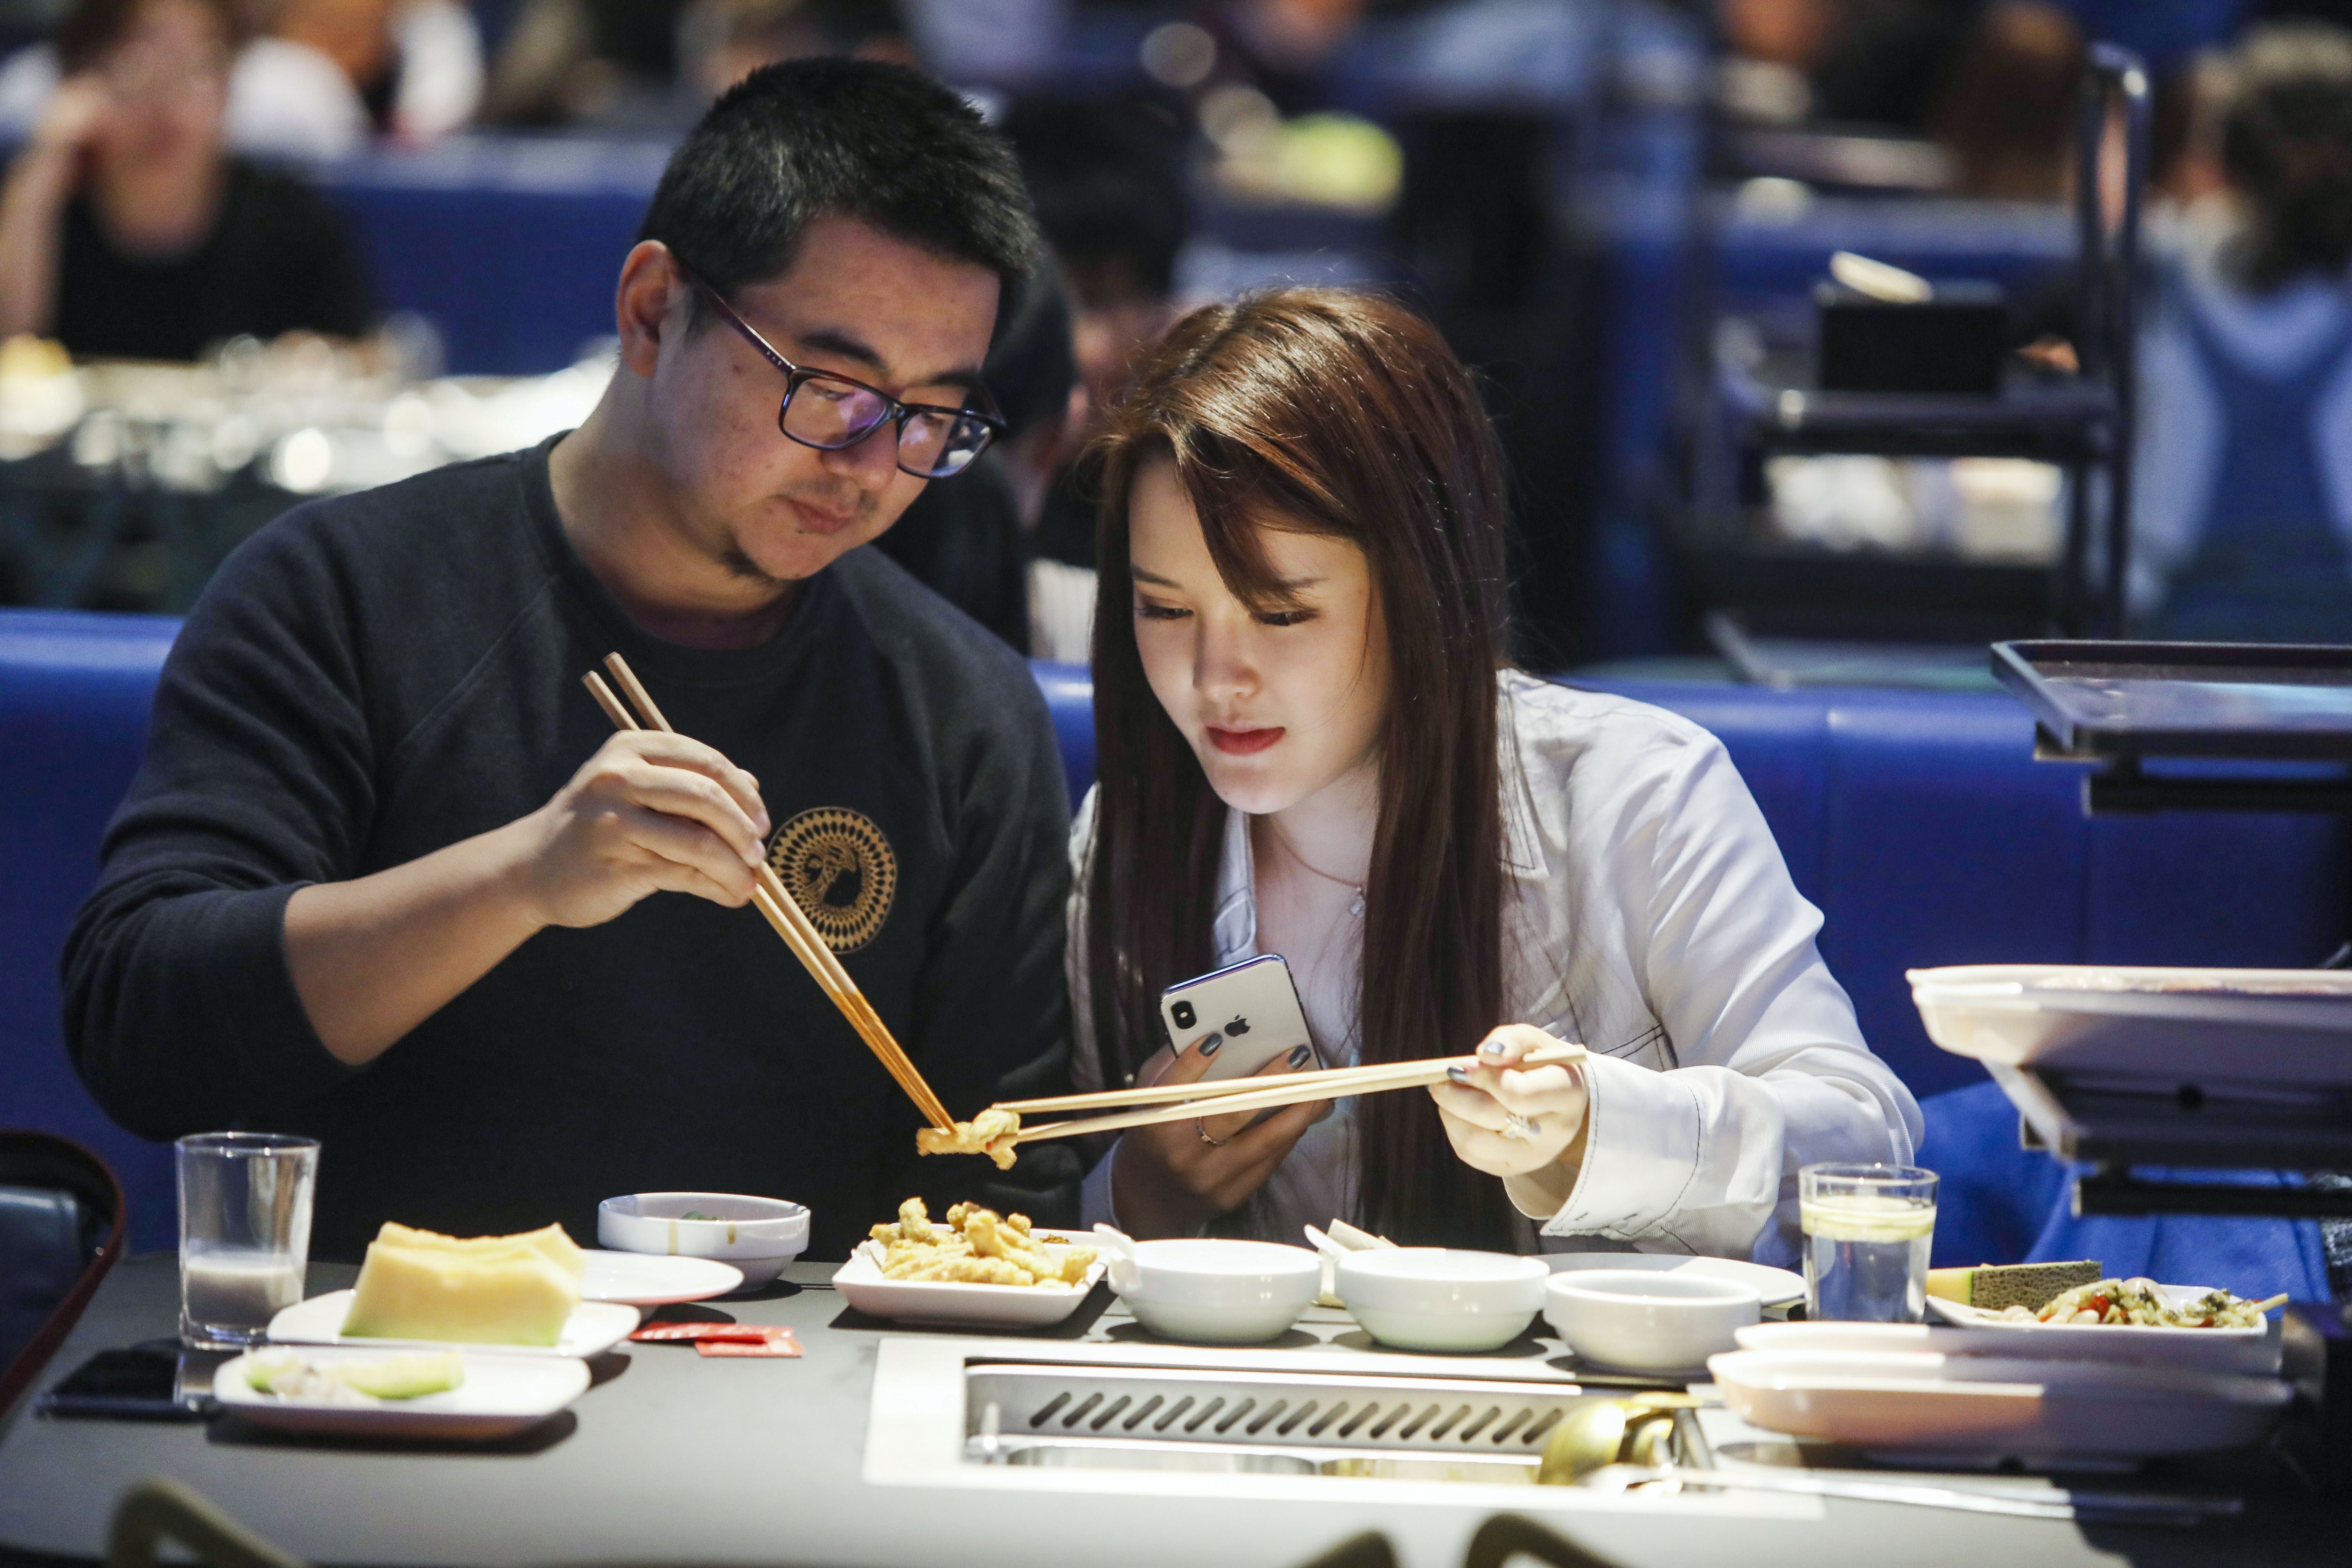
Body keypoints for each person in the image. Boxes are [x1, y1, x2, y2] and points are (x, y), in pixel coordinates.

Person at [63, 58, 1079, 1260]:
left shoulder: (962, 710)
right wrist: (524, 879)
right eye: (833, 388)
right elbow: (143, 1037)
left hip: (793, 1399)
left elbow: (1007, 1194)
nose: (869, 466)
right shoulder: (343, 595)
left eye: (929, 419)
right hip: (387, 1374)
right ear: (654, 311)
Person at [1071, 290, 1919, 1261]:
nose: (1216, 680)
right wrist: (1141, 1192)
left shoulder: (1635, 799)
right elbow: (1029, 1227)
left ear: (1420, 589)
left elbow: (1864, 1143)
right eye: (1166, 611)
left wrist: (1600, 1134)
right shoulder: (1125, 849)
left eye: (1281, 614)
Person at [2134, 21, 2352, 640]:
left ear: (2226, 155)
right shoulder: (2159, 269)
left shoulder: (2152, 265)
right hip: (2171, 650)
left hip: (2170, 656)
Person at [0, 0, 371, 358]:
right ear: (82, 84)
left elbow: (367, 354)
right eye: (138, 67)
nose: (166, 103)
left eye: (196, 68)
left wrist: (316, 360)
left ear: (227, 89)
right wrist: (39, 176)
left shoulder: (291, 218)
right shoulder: (46, 206)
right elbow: (11, 345)